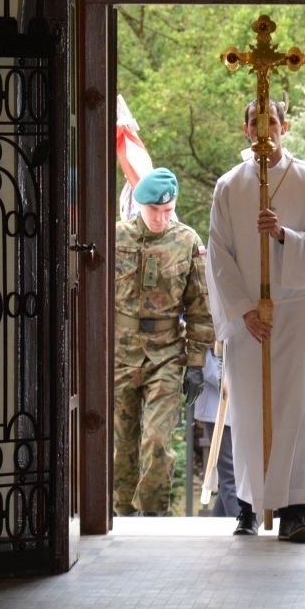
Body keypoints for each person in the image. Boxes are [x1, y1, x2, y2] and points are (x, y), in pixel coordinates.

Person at [206, 98, 305, 542]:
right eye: (256, 123)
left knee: (294, 412)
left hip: (293, 312)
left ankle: (293, 510)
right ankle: (246, 507)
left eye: (273, 123)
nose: (266, 131)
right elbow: (219, 256)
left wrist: (284, 236)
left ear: (286, 125)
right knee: (247, 410)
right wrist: (244, 308)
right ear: (245, 129)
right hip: (249, 318)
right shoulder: (229, 186)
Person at [113, 167, 215, 517]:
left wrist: (197, 363)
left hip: (167, 355)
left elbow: (201, 308)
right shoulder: (116, 238)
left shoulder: (186, 241)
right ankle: (121, 514)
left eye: (168, 210)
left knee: (156, 440)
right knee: (121, 442)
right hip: (119, 354)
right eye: (155, 210)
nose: (161, 217)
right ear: (140, 205)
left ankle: (152, 513)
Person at [194, 342, 238, 516]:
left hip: (242, 401)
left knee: (231, 474)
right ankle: (242, 529)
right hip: (218, 403)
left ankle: (216, 523)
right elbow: (203, 355)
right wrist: (224, 380)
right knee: (231, 474)